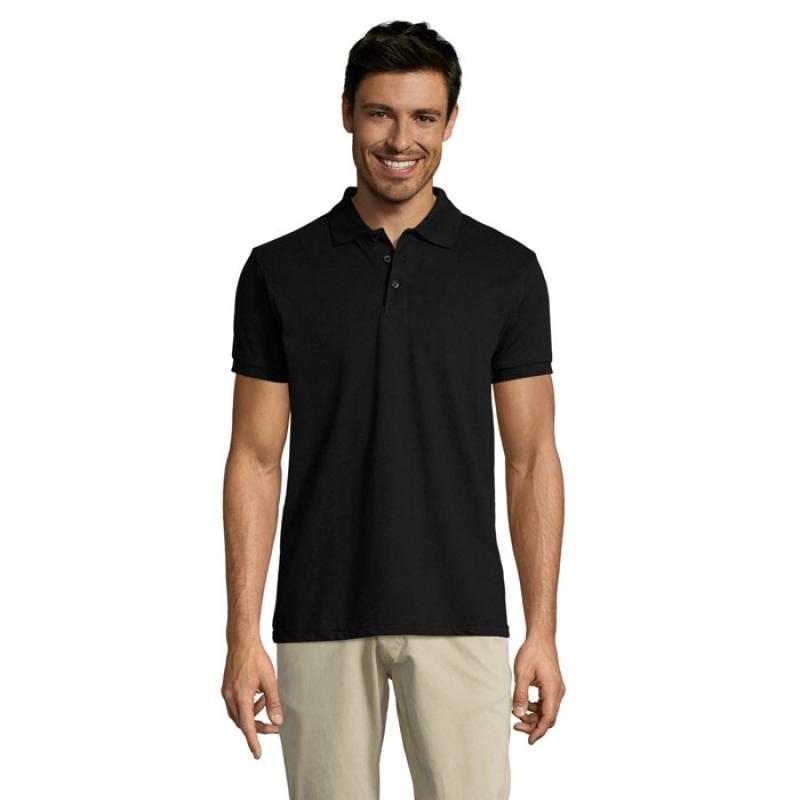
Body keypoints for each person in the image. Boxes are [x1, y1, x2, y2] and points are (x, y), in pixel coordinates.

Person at [221, 19, 566, 800]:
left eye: (423, 117)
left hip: (463, 614)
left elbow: (530, 460)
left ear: (450, 122)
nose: (401, 139)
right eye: (380, 113)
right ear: (347, 112)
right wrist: (242, 634)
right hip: (319, 614)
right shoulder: (279, 270)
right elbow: (255, 459)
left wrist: (541, 630)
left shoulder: (506, 271)